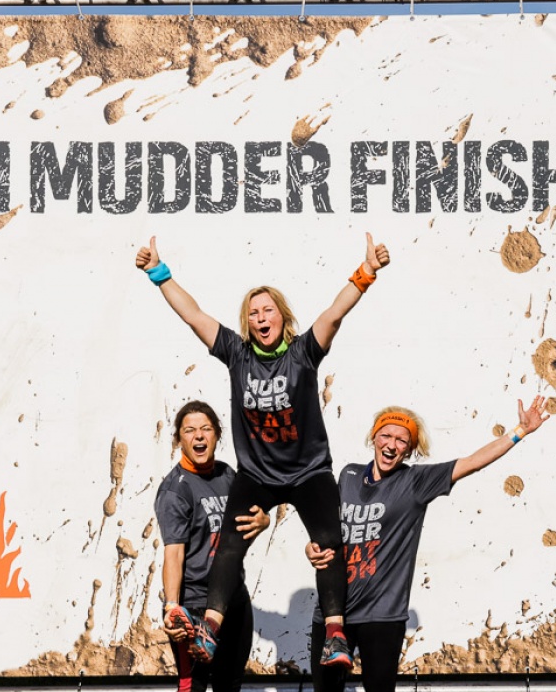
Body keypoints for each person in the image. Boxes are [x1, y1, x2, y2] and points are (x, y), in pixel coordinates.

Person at [135, 233, 390, 669]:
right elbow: (193, 315)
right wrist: (159, 272)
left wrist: (366, 272)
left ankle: (335, 636)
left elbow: (334, 313)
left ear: (282, 316)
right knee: (229, 544)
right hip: (257, 475)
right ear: (247, 323)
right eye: (253, 313)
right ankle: (210, 628)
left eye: (267, 310)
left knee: (329, 544)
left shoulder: (303, 353)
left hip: (309, 472)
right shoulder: (237, 354)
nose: (260, 317)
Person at [296, 398, 551, 692]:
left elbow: (471, 463)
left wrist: (520, 431)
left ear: (411, 449)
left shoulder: (415, 482)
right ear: (373, 437)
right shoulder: (348, 476)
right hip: (333, 611)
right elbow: (328, 532)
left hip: (381, 614)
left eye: (402, 440)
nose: (392, 444)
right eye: (386, 435)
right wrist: (313, 548)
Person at [156, 400, 274, 692]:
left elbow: (252, 517)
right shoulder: (176, 489)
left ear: (217, 434)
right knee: (191, 689)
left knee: (229, 688)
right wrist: (172, 606)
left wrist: (264, 521)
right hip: (194, 604)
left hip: (234, 598)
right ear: (179, 439)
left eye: (205, 428)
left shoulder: (228, 475)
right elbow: (173, 554)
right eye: (190, 430)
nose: (199, 436)